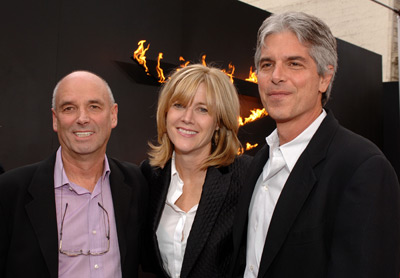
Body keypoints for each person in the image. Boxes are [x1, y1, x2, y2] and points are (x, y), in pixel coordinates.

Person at [230, 12, 400, 278]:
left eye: (294, 64)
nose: (276, 76)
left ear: (325, 77)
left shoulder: (362, 169)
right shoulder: (257, 164)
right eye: (266, 64)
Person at [0, 71, 148, 277]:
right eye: (69, 108)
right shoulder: (9, 191)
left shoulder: (136, 182)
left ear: (113, 115)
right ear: (55, 119)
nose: (82, 118)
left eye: (94, 107)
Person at [140, 64, 252, 278]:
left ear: (219, 121)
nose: (187, 118)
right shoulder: (150, 175)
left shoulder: (245, 176)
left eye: (203, 109)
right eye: (179, 105)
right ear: (166, 112)